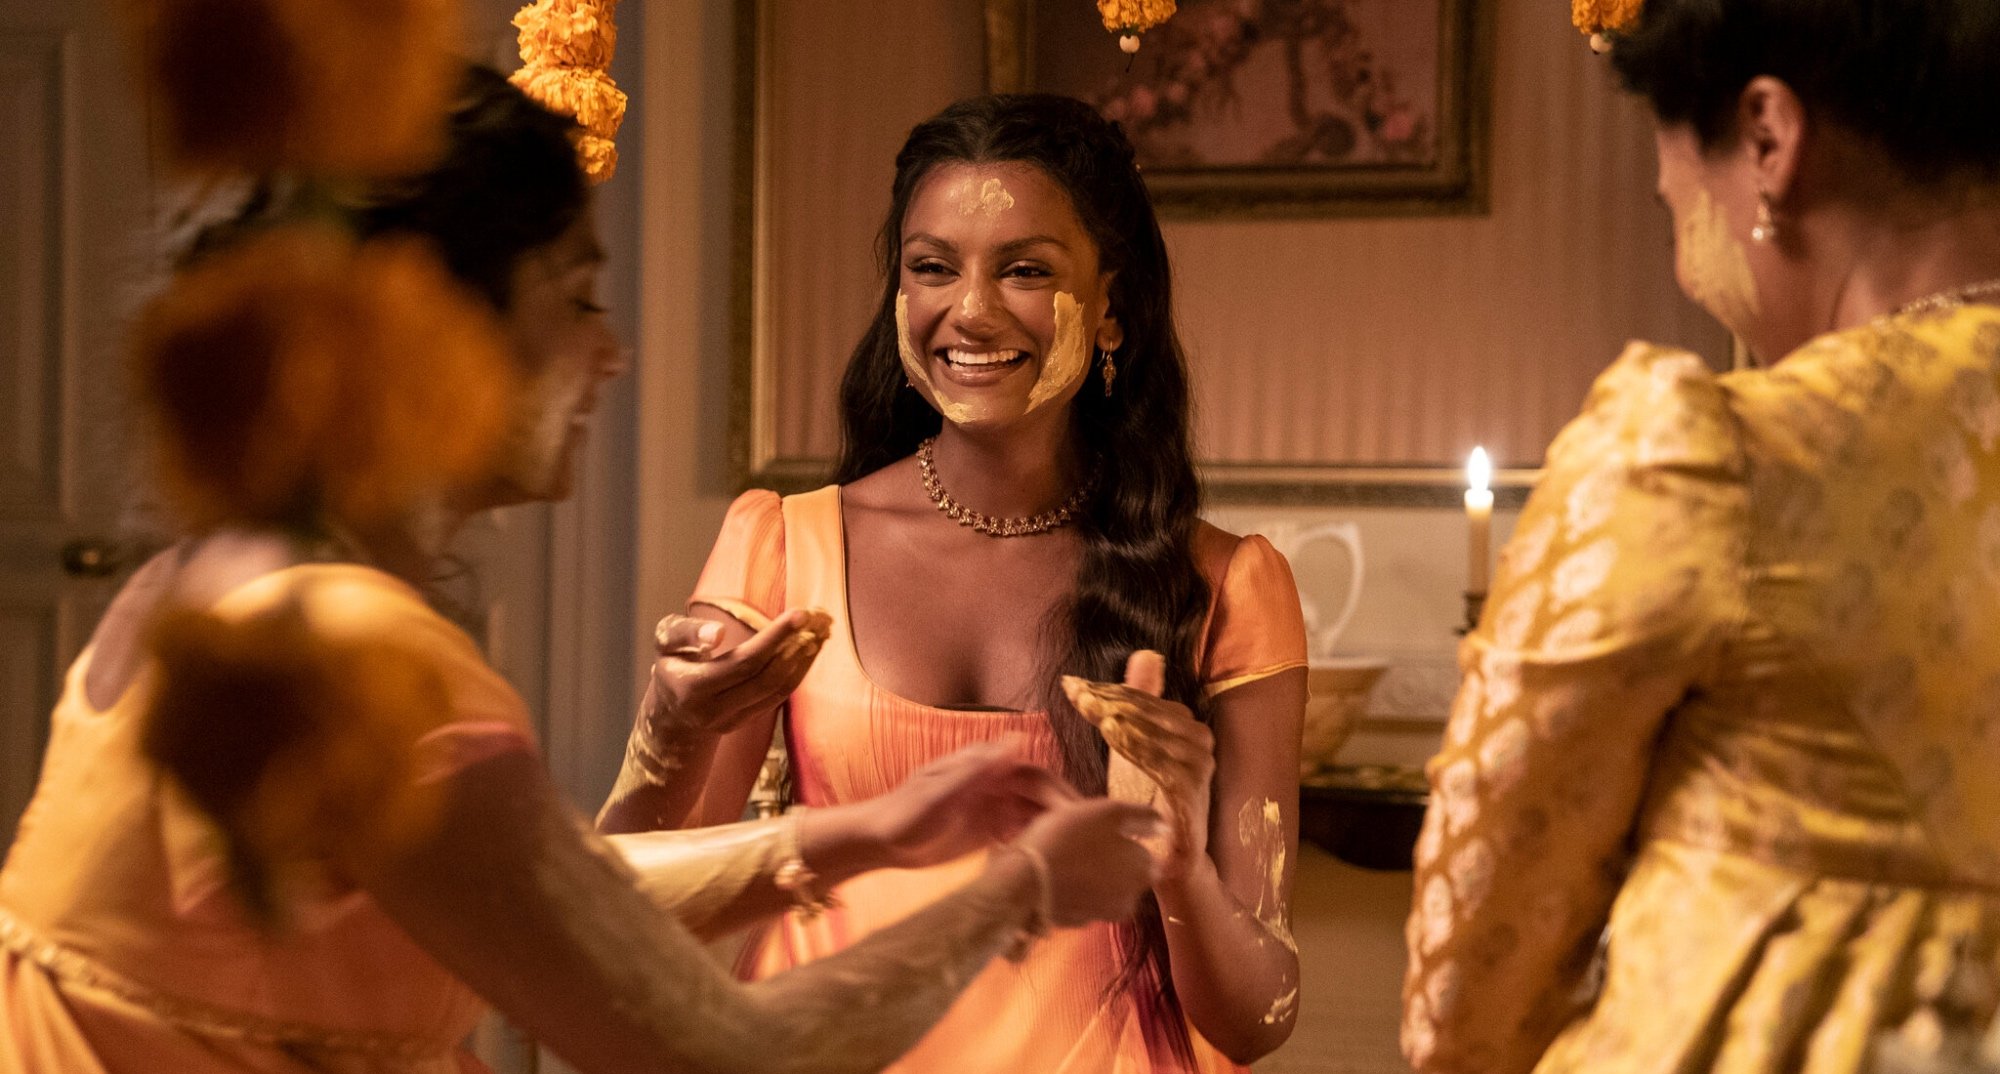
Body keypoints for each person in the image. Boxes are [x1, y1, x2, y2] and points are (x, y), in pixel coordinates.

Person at [0, 67, 1162, 1074]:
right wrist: (1016, 894)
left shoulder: (223, 590)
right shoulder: (363, 668)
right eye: (575, 298)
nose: (611, 351)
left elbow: (540, 897)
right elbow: (719, 1050)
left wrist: (857, 836)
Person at [599, 94, 1310, 1073]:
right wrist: (664, 732)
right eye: (931, 267)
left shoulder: (1227, 586)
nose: (967, 311)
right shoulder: (778, 546)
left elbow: (1257, 1019)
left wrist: (1176, 861)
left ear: (1111, 306)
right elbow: (625, 921)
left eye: (1023, 270)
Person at [1400, 1, 2000, 1072]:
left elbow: (1479, 954)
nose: (1686, 255)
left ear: (1767, 140)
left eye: (1677, 202)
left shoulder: (1710, 457)